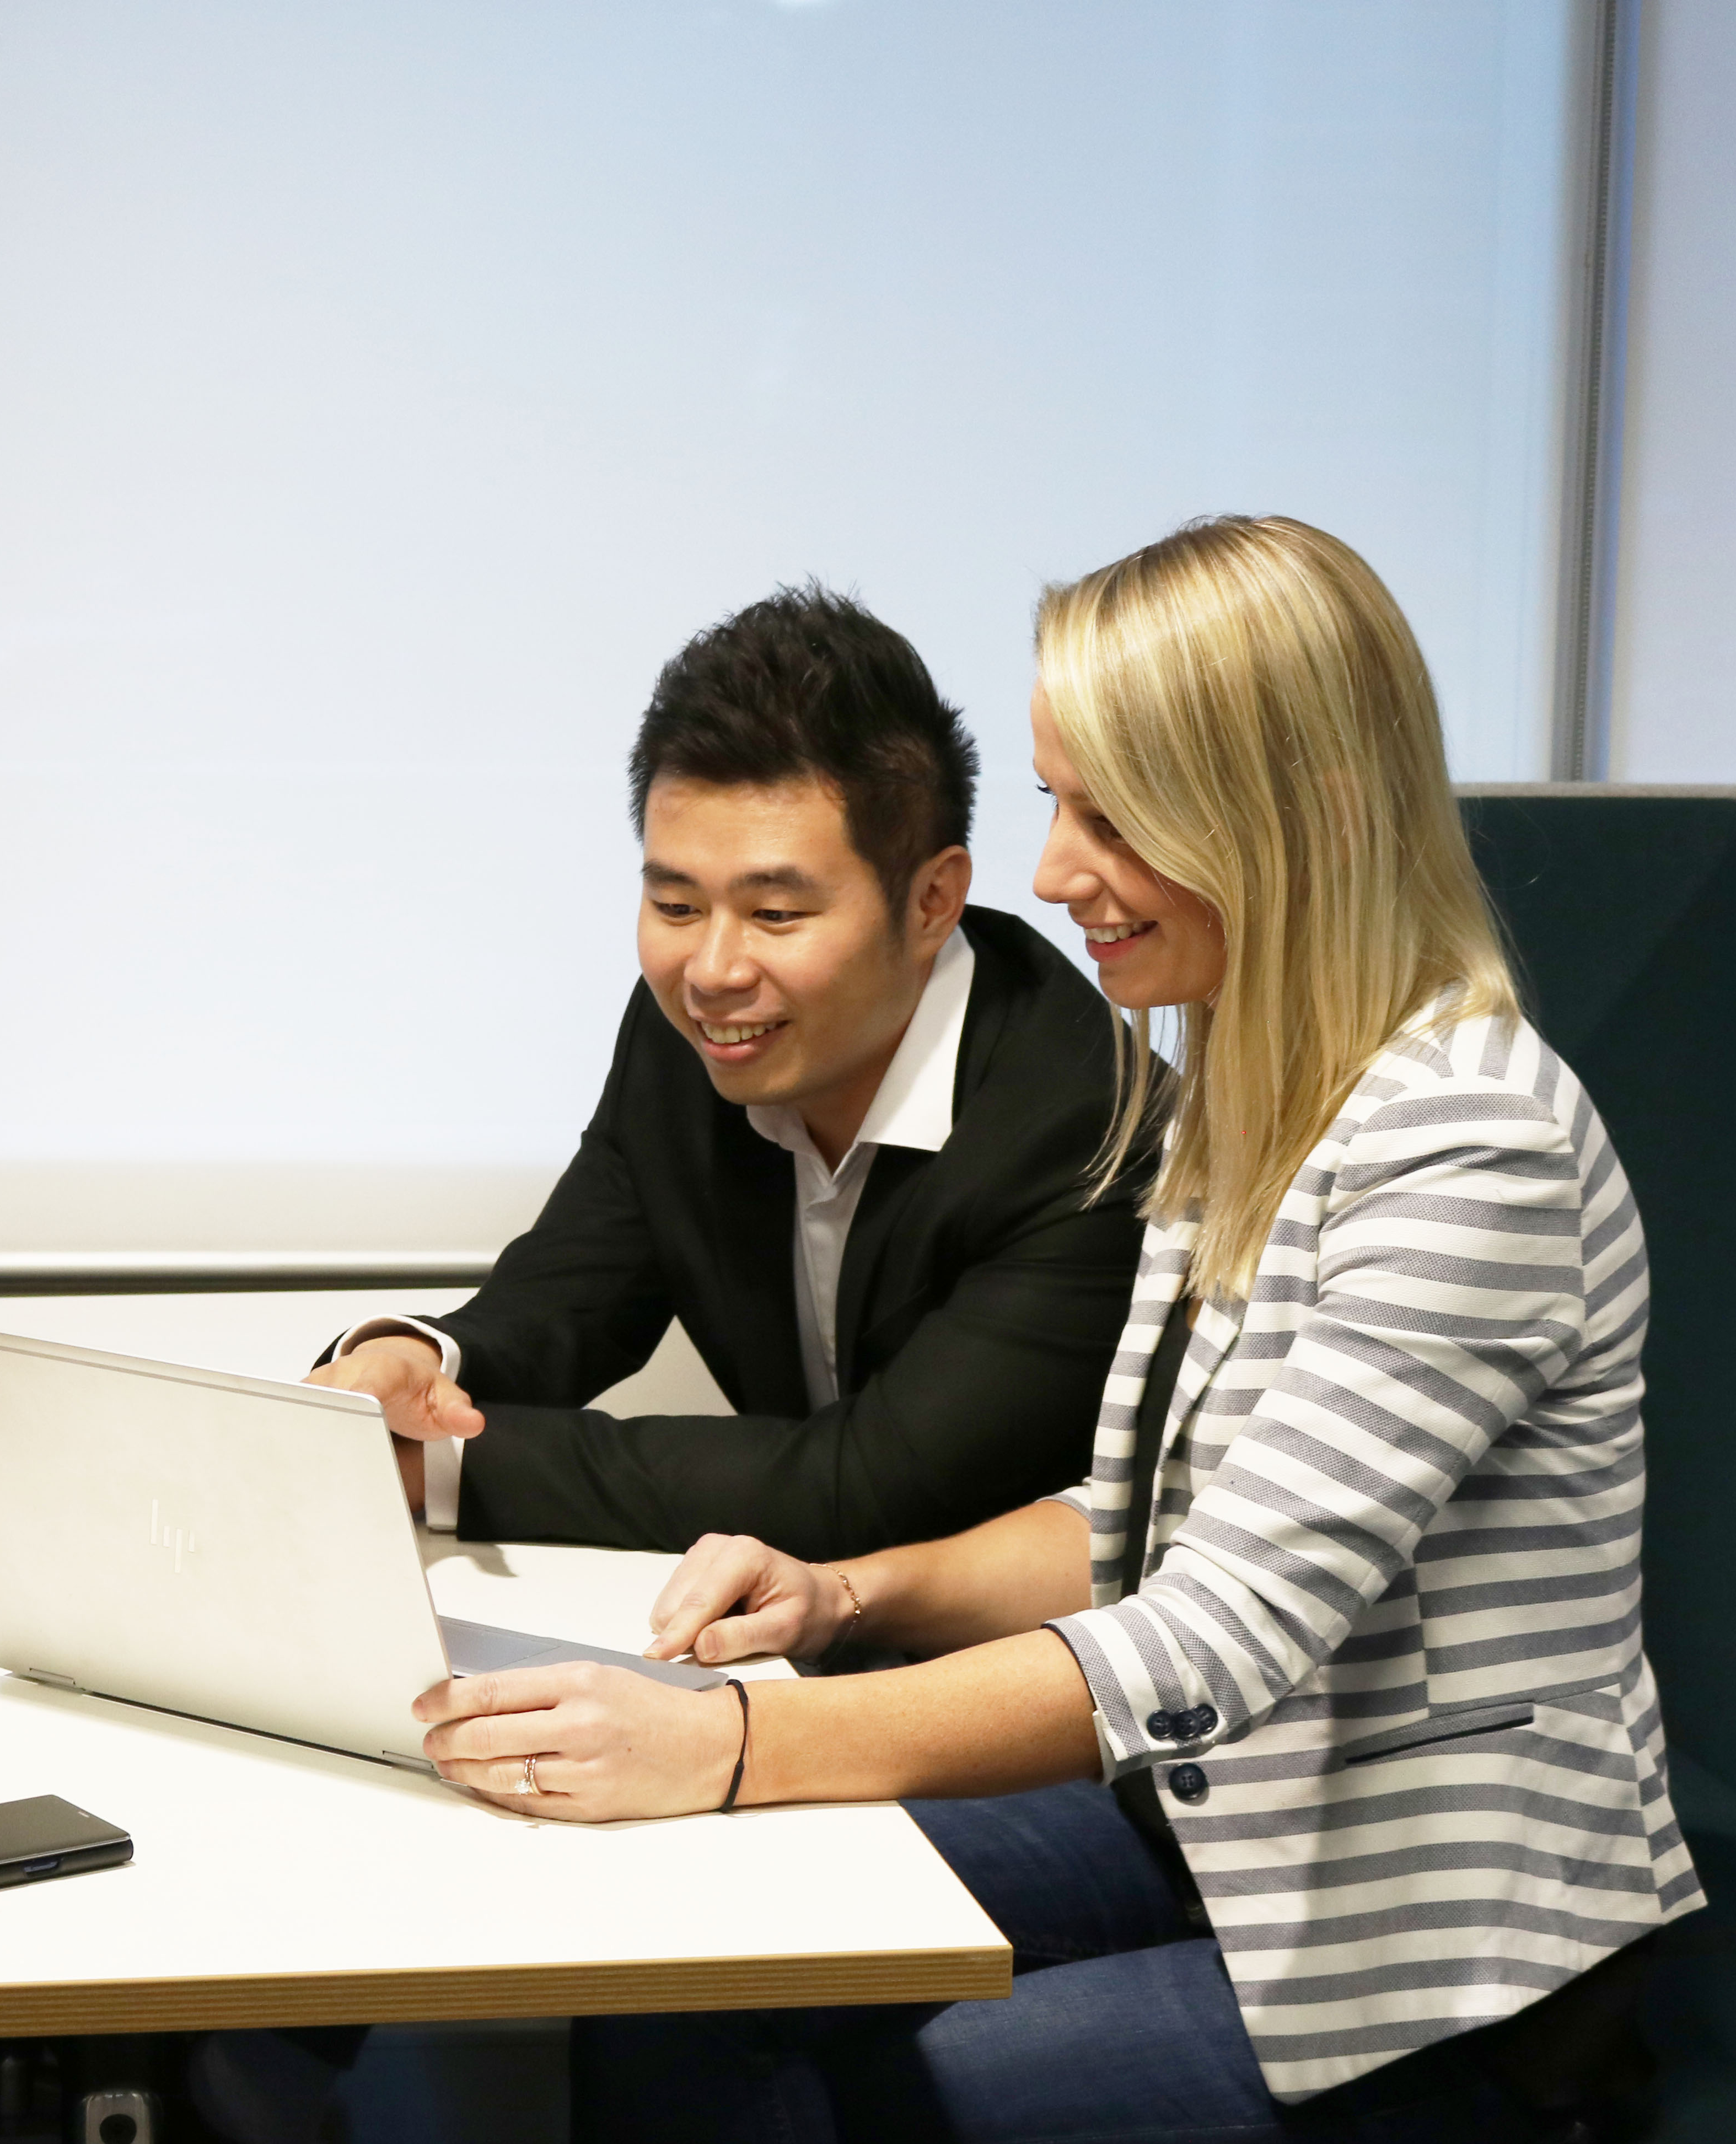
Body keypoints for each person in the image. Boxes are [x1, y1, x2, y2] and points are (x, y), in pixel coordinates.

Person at [409, 519, 1701, 2144]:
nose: (1056, 869)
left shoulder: (1470, 1149)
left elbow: (1208, 1638)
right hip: (1220, 1832)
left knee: (851, 2106)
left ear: (1284, 816)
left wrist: (729, 1740)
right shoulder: (1263, 1085)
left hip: (1430, 1983)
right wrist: (848, 1598)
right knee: (670, 1991)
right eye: (1055, 803)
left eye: (1110, 814)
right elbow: (1149, 1514)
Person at [308, 585, 1142, 1557]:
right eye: (674, 906)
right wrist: (411, 1359)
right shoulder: (694, 1028)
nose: (711, 971)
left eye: (776, 915)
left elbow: (869, 1488)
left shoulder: (1084, 1124)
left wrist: (434, 1468)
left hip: (1028, 1674)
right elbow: (572, 1296)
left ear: (931, 901)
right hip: (783, 1630)